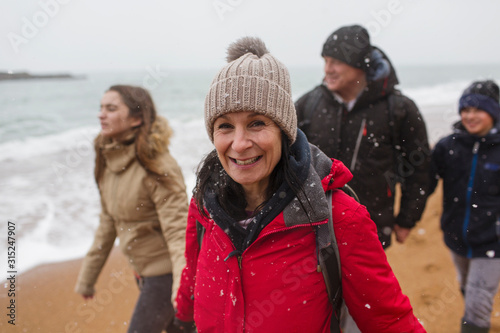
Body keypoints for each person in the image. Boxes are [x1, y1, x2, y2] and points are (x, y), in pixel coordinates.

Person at [173, 36, 425, 333]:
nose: (239, 144)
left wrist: (407, 216)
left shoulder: (339, 216)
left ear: (284, 131)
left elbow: (389, 321)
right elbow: (191, 278)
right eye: (225, 126)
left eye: (257, 123)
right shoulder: (204, 204)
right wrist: (181, 318)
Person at [295, 24, 430, 249]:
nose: (327, 69)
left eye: (335, 61)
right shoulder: (309, 104)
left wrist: (408, 218)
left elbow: (419, 166)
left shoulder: (399, 109)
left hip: (372, 228)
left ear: (360, 65)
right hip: (314, 228)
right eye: (325, 61)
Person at [74, 85, 189, 333]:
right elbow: (108, 221)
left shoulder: (158, 166)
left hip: (166, 275)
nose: (101, 115)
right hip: (142, 273)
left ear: (137, 119)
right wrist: (88, 278)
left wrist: (182, 287)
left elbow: (178, 231)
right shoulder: (108, 160)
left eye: (111, 108)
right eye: (101, 108)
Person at [429, 80, 500, 333]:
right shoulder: (448, 146)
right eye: (465, 110)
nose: (470, 116)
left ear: (493, 112)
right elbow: (424, 180)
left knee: (477, 307)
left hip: (493, 242)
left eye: (478, 110)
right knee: (467, 285)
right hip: (456, 237)